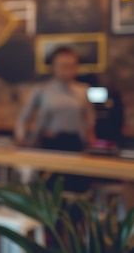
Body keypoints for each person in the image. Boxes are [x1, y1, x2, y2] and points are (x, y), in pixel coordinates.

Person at [15, 45, 96, 192]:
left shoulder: (82, 90)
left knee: (76, 189)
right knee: (50, 189)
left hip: (75, 145)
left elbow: (89, 121)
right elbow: (23, 117)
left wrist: (92, 145)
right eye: (63, 66)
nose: (68, 70)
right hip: (49, 144)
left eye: (72, 66)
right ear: (54, 67)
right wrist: (21, 138)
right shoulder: (42, 90)